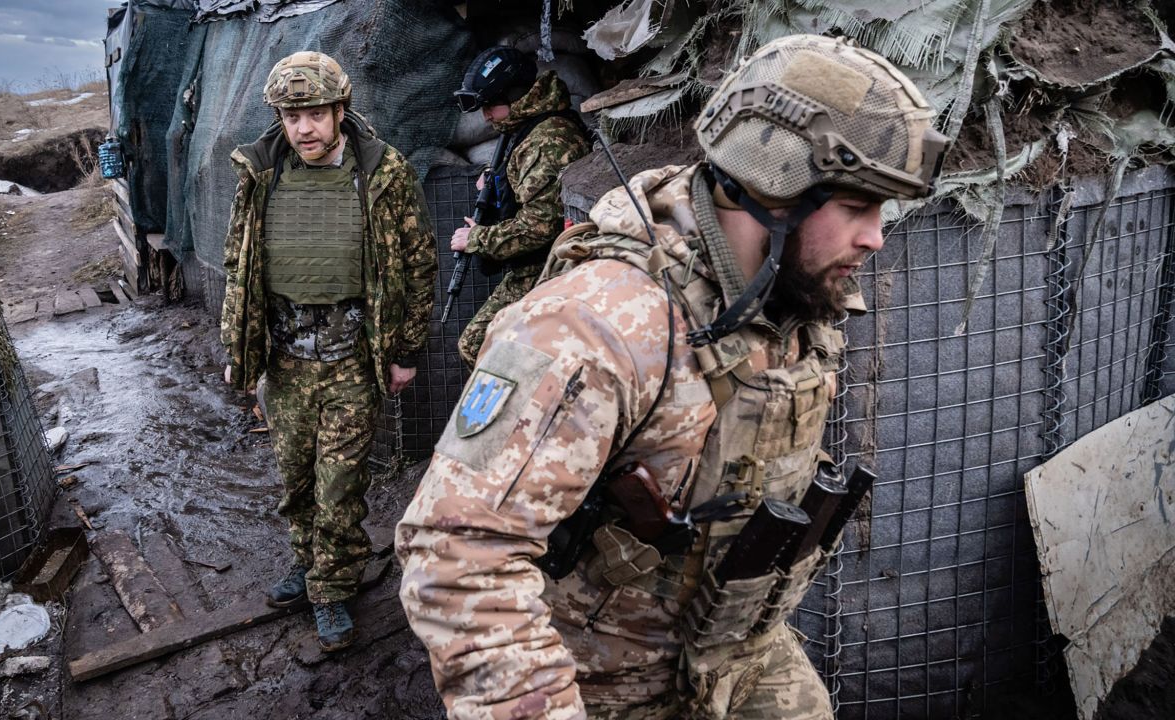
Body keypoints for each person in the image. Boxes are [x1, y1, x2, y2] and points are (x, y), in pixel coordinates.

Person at [397, 35, 949, 719]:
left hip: (738, 654)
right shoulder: (602, 324)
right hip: (608, 684)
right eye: (859, 207)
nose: (876, 239)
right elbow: (456, 556)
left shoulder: (789, 294)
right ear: (775, 187)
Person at [221, 51, 436, 651]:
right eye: (291, 116)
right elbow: (240, 264)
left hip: (352, 359)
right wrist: (239, 350)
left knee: (339, 482)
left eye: (314, 112)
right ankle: (307, 559)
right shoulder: (261, 174)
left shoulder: (385, 173)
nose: (303, 128)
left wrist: (406, 348)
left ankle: (334, 588)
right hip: (285, 360)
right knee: (294, 479)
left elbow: (420, 263)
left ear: (341, 109)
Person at [449, 46, 591, 367]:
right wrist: (498, 181)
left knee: (480, 347)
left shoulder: (546, 140)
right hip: (535, 266)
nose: (485, 115)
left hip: (549, 269)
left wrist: (478, 239)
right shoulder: (525, 128)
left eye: (490, 105)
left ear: (513, 96)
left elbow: (539, 226)